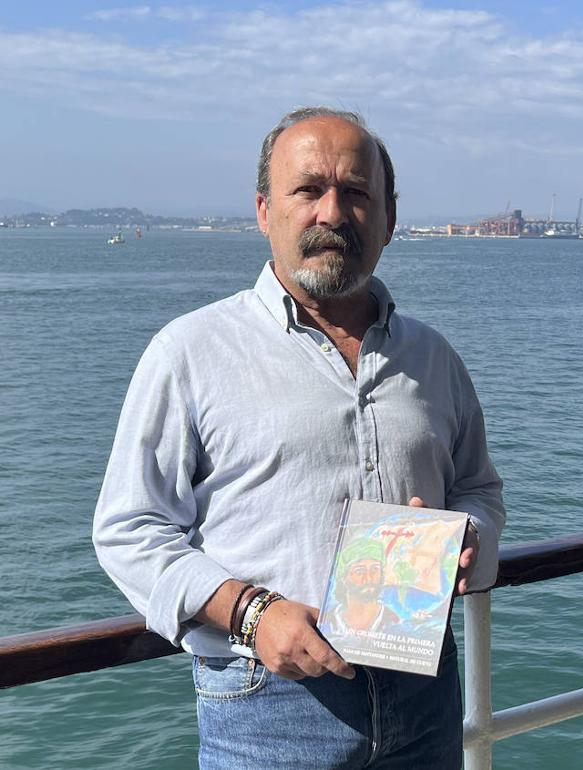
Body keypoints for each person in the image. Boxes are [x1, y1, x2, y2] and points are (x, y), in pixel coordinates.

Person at [92, 107, 505, 769]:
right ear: (264, 211)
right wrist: (252, 612)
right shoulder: (191, 351)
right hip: (269, 705)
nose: (333, 213)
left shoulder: (434, 358)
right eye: (308, 190)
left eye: (357, 193)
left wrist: (469, 538)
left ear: (390, 219)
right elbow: (127, 529)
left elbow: (478, 488)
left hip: (425, 690)